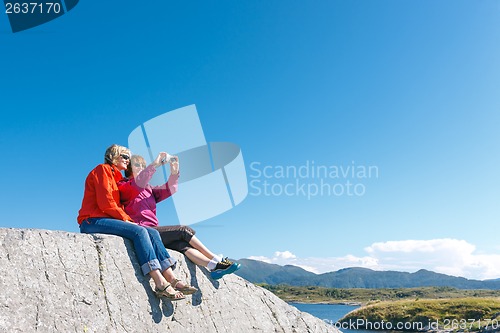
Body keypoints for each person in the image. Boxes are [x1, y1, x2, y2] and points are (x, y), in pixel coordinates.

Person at [77, 144, 197, 300]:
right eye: (125, 156)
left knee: (152, 231)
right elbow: (106, 202)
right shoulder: (103, 169)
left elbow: (163, 187)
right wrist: (127, 220)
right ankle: (159, 283)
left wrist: (174, 172)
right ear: (113, 155)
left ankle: (171, 278)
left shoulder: (118, 178)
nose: (128, 160)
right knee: (140, 231)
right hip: (92, 220)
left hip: (107, 219)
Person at [118, 152, 241, 280]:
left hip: (155, 232)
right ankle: (216, 258)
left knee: (181, 244)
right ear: (128, 169)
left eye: (143, 166)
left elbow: (170, 189)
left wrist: (174, 173)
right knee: (183, 230)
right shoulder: (124, 186)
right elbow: (138, 183)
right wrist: (155, 164)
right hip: (142, 231)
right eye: (137, 165)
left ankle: (213, 266)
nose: (141, 168)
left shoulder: (148, 189)